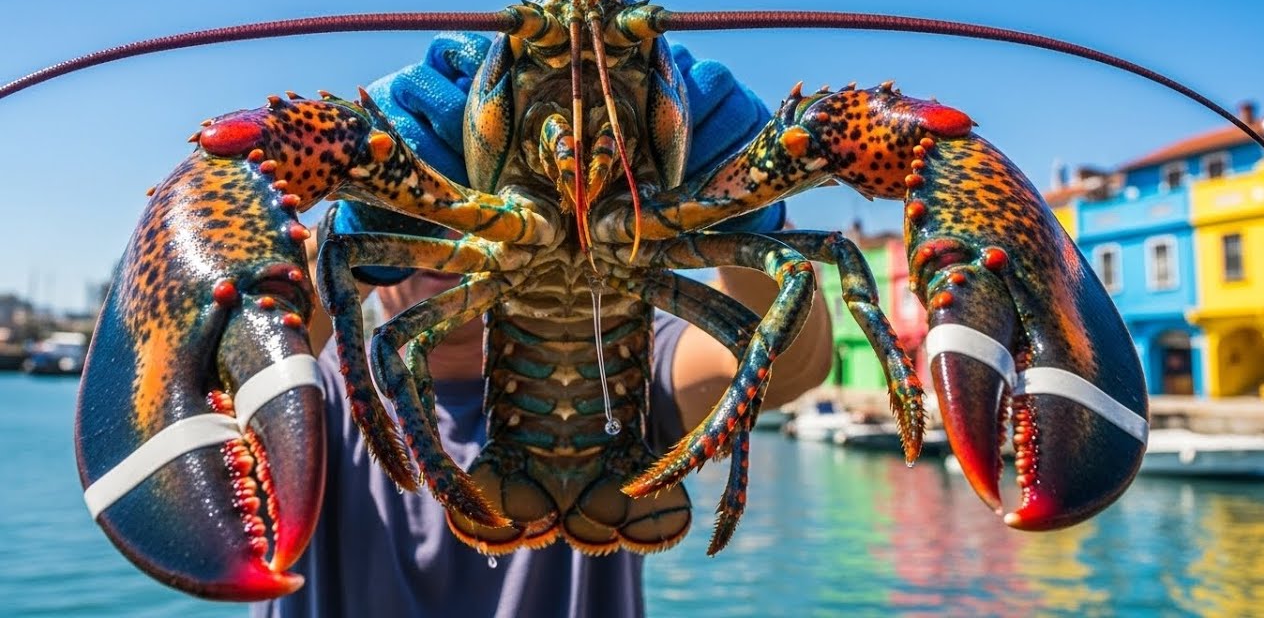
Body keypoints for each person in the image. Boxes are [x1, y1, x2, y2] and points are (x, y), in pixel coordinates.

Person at [253, 34, 833, 618]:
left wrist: (750, 200)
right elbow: (213, 398)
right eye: (432, 199)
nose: (450, 232)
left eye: (467, 195)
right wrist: (346, 225)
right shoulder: (309, 391)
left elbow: (789, 369)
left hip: (611, 455)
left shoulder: (634, 352)